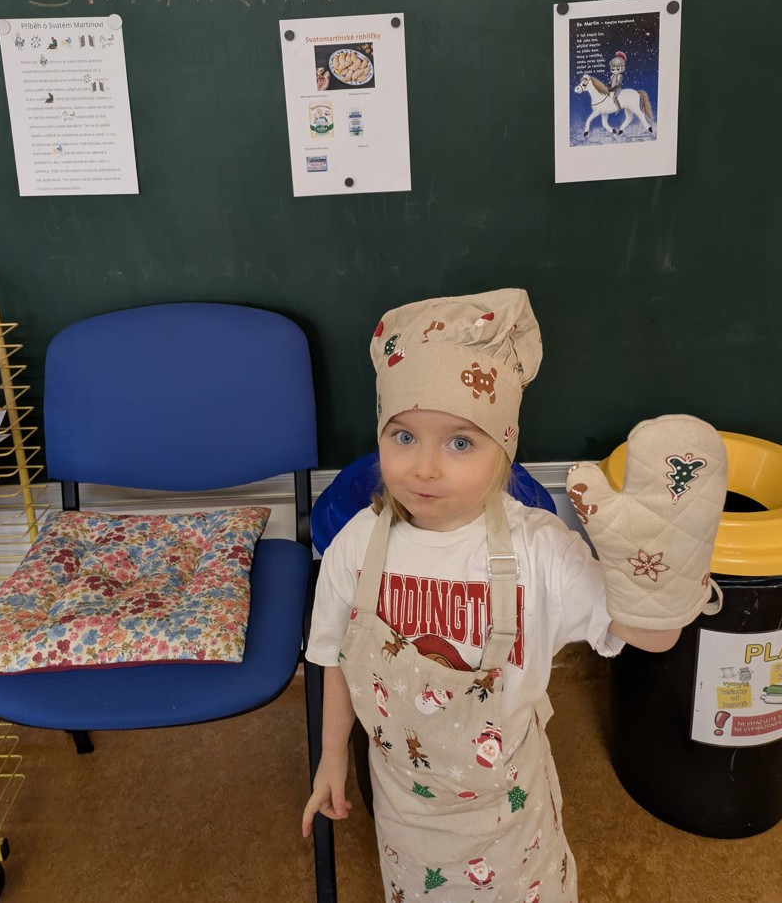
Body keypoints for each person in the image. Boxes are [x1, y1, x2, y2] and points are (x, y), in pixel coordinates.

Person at [302, 289, 726, 902]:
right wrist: (332, 756)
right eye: (403, 437)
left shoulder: (539, 549)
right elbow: (335, 658)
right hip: (402, 807)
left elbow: (652, 636)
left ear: (503, 451)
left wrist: (659, 577)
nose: (424, 468)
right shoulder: (355, 546)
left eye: (460, 442)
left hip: (507, 818)